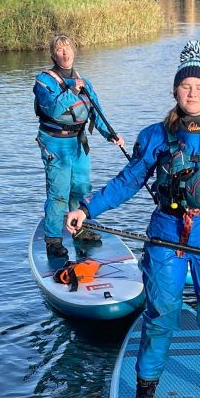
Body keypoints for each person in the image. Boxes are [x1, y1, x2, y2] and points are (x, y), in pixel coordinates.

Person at [66, 40, 200, 398]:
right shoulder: (155, 135)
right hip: (165, 231)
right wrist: (86, 208)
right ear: (175, 90)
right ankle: (145, 391)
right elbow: (128, 181)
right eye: (186, 86)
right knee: (161, 312)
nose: (192, 93)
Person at [34, 34, 125, 259]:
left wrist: (110, 134)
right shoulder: (43, 81)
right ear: (53, 55)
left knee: (82, 187)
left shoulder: (84, 80)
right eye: (59, 50)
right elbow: (53, 109)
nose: (65, 54)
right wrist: (73, 90)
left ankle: (80, 227)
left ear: (74, 51)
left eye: (68, 49)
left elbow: (96, 110)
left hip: (78, 143)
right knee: (59, 193)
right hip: (55, 143)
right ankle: (53, 239)